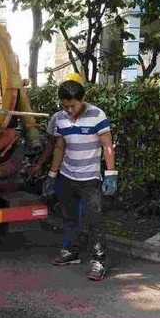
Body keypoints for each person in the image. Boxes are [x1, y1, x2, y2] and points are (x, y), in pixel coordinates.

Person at [41, 79, 117, 281]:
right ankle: (72, 252)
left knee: (95, 220)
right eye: (65, 106)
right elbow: (59, 148)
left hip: (90, 178)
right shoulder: (59, 118)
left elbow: (108, 146)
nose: (69, 110)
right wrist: (52, 175)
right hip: (67, 175)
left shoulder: (97, 115)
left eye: (72, 105)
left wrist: (111, 174)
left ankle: (99, 260)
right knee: (68, 216)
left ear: (82, 100)